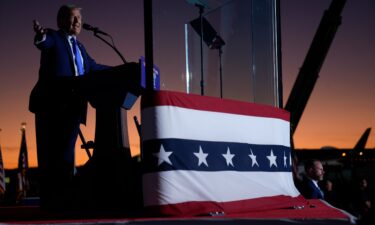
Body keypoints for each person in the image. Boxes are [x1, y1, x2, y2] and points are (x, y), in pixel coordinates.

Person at [30, 4, 110, 210]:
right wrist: (40, 36)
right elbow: (43, 42)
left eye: (79, 19)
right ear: (61, 21)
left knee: (66, 154)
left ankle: (64, 200)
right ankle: (50, 203)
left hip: (74, 106)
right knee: (50, 155)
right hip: (51, 105)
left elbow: (95, 68)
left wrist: (127, 69)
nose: (77, 22)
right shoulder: (54, 37)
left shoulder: (81, 47)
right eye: (72, 18)